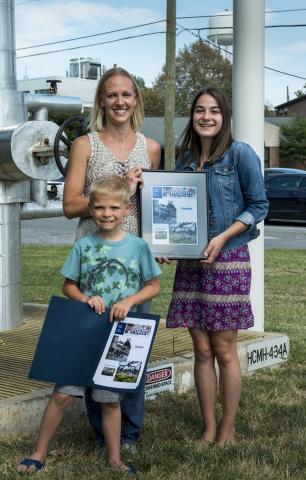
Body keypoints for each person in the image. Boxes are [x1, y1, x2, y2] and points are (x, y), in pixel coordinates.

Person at [17, 176, 161, 474]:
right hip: (83, 331)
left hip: (118, 334)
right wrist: (85, 298)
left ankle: (115, 458)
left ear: (126, 209)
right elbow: (68, 286)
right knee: (62, 394)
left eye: (113, 207)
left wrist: (130, 301)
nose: (106, 213)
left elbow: (153, 286)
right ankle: (39, 452)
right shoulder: (84, 246)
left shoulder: (138, 247)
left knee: (110, 400)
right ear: (91, 210)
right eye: (99, 208)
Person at [63, 66, 161, 452]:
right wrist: (116, 193)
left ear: (135, 100)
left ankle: (130, 434)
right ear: (101, 101)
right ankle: (102, 431)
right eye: (112, 95)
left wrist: (163, 245)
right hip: (94, 260)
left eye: (127, 94)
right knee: (94, 345)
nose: (120, 101)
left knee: (131, 348)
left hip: (134, 260)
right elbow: (70, 205)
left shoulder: (150, 148)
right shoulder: (85, 145)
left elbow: (156, 208)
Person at [166, 87, 268, 446]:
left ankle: (228, 427)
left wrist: (223, 237)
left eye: (214, 111)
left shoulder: (240, 154)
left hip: (228, 261)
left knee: (224, 349)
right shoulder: (184, 157)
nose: (206, 116)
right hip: (191, 264)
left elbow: (258, 205)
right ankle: (208, 426)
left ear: (224, 117)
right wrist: (166, 245)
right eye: (199, 110)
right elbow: (173, 207)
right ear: (192, 115)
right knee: (202, 350)